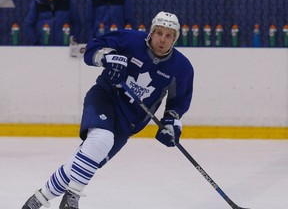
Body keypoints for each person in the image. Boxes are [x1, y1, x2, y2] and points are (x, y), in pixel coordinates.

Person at [21, 11, 194, 209]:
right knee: (101, 139)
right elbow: (91, 50)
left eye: (168, 35)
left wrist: (172, 124)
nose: (162, 39)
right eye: (159, 33)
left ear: (175, 38)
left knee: (88, 158)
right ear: (151, 33)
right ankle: (72, 198)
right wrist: (107, 58)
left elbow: (177, 103)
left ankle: (39, 198)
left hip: (130, 120)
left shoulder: (182, 68)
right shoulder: (130, 39)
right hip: (105, 98)